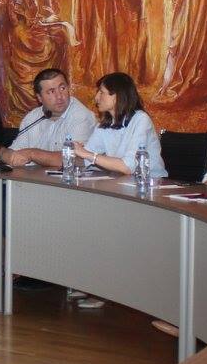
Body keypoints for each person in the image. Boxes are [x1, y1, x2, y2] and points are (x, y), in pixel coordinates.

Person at [70, 72, 167, 308]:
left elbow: (127, 166)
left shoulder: (140, 120)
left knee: (104, 225)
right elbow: (87, 157)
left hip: (151, 192)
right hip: (122, 189)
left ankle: (106, 289)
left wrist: (88, 155)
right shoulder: (106, 124)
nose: (96, 98)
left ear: (118, 96)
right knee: (84, 218)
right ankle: (93, 282)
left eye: (102, 93)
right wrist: (74, 153)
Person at [0, 68, 96, 169]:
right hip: (38, 181)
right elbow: (16, 153)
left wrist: (32, 154)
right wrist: (1, 152)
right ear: (39, 98)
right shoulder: (33, 117)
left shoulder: (81, 116)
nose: (59, 96)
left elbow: (75, 159)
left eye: (62, 88)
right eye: (51, 91)